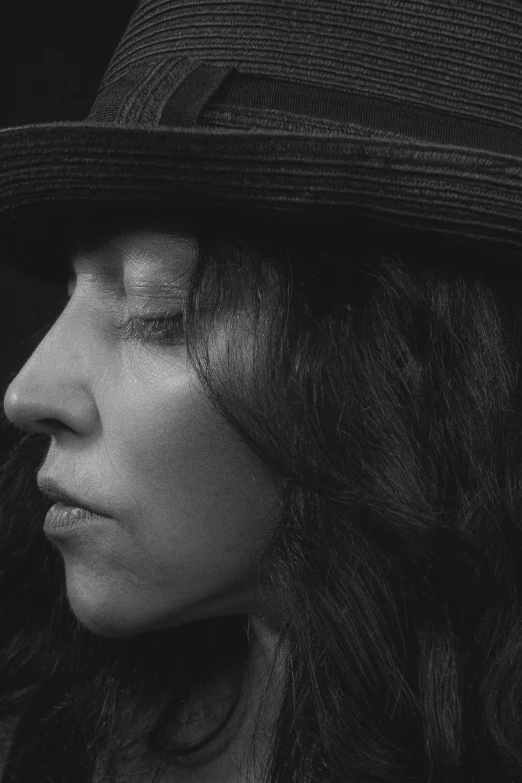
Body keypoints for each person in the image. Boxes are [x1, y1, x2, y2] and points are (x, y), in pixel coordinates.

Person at [1, 1, 522, 782]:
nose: (26, 392)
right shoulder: (47, 748)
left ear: (406, 368)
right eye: (70, 294)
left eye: (157, 312)